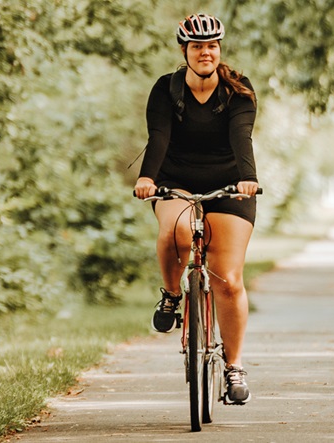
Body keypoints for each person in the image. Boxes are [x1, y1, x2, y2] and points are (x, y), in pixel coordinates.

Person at [133, 13, 259, 405]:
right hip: (177, 181)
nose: (206, 52)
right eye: (197, 47)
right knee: (177, 232)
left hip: (229, 184)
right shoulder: (166, 90)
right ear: (184, 51)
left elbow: (241, 137)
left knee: (228, 279)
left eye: (212, 46)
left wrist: (247, 178)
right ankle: (172, 294)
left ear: (219, 49)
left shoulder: (237, 89)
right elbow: (159, 136)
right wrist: (146, 178)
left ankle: (234, 367)